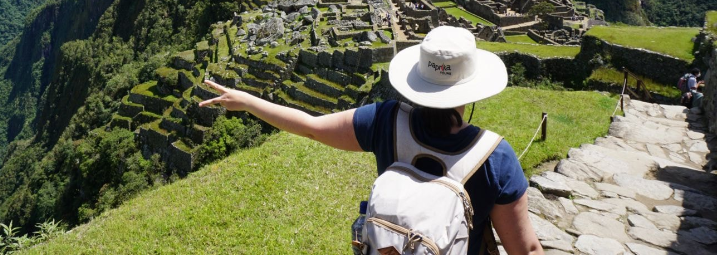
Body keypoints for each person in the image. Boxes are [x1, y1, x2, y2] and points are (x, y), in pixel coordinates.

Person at [200, 25, 543, 255]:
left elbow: (310, 126)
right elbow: (524, 249)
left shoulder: (386, 121)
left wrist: (247, 102)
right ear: (471, 89)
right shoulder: (495, 157)